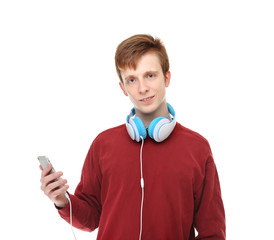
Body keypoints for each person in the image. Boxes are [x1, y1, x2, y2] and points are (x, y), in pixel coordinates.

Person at [40, 34, 226, 239]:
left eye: (150, 75)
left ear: (167, 77)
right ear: (123, 87)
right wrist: (62, 201)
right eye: (131, 79)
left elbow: (213, 232)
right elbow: (91, 218)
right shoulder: (103, 145)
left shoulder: (197, 148)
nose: (142, 88)